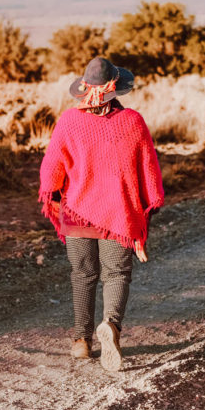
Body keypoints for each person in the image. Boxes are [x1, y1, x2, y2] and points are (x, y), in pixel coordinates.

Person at [39, 57, 164, 371]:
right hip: (118, 215)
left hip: (77, 214)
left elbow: (51, 172)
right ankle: (111, 326)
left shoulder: (69, 121)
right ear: (116, 88)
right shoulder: (133, 121)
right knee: (117, 274)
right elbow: (149, 172)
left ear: (84, 90)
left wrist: (55, 201)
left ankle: (82, 340)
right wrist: (144, 216)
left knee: (83, 275)